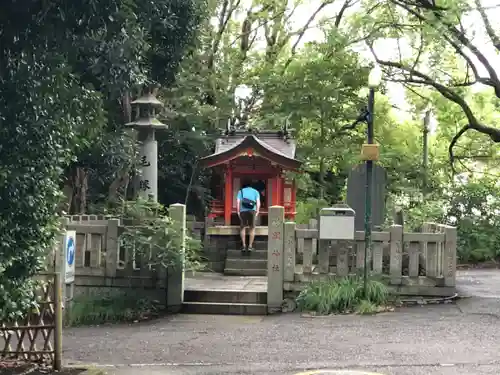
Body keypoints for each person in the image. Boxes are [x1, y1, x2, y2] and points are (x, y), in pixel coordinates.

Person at [236, 179, 260, 253]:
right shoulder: (255, 191)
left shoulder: (241, 191)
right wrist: (257, 211)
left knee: (242, 227)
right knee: (252, 228)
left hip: (243, 211)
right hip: (252, 210)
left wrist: (238, 211)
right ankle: (250, 246)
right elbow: (258, 202)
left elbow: (238, 202)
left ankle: (243, 245)